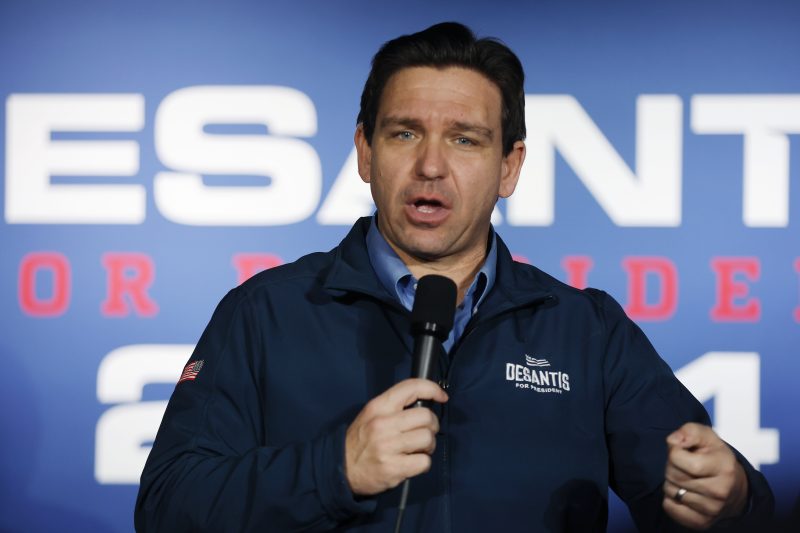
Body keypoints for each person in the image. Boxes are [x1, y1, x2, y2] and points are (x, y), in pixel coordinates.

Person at [135, 22, 774, 532]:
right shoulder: (267, 312)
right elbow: (167, 507)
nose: (431, 166)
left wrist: (731, 497)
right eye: (404, 133)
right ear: (365, 152)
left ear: (509, 167)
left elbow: (702, 495)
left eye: (465, 140)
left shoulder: (586, 330)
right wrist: (335, 470)